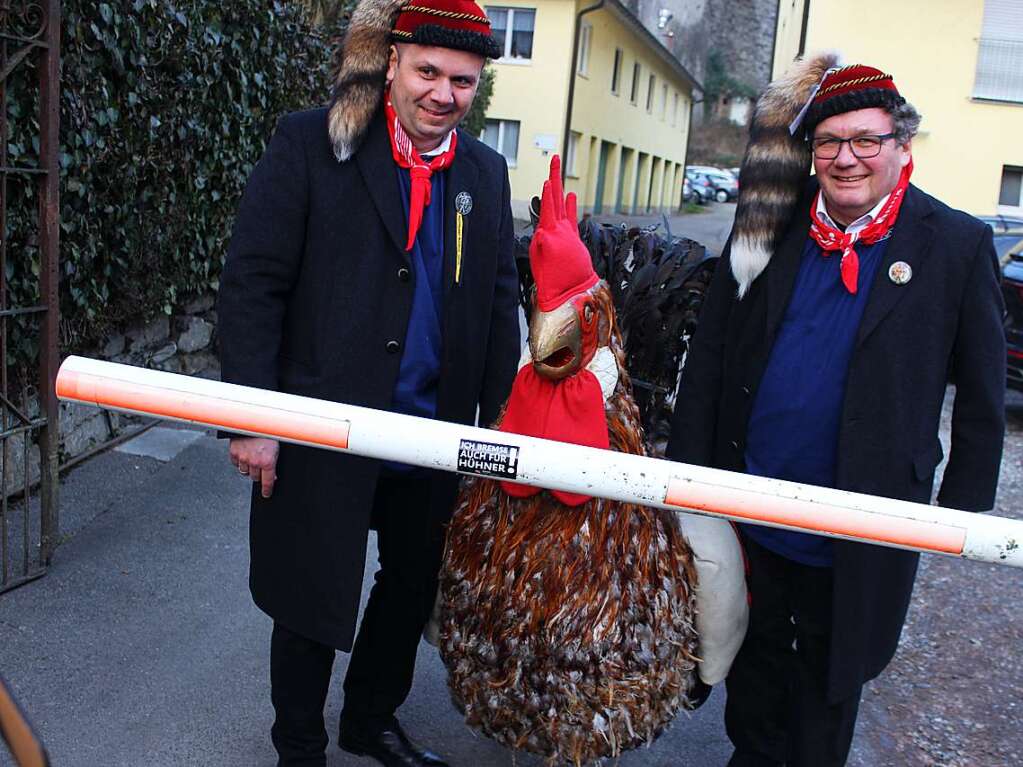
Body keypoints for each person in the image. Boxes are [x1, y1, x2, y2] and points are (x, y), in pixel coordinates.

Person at [667, 55, 1005, 767]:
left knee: (831, 677)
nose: (845, 158)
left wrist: (960, 513)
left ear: (899, 146)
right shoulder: (767, 227)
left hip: (867, 513)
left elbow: (980, 390)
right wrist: (687, 477)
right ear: (809, 150)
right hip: (753, 500)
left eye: (865, 141)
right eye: (828, 142)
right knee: (751, 662)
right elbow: (714, 356)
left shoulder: (953, 243)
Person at [216, 1, 519, 764]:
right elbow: (253, 283)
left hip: (434, 428)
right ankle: (300, 741)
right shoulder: (312, 144)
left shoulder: (483, 171)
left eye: (462, 80)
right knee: (312, 588)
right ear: (391, 63)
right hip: (323, 419)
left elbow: (497, 300)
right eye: (427, 72)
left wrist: (499, 432)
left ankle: (370, 717)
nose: (443, 93)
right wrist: (251, 418)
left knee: (413, 579)